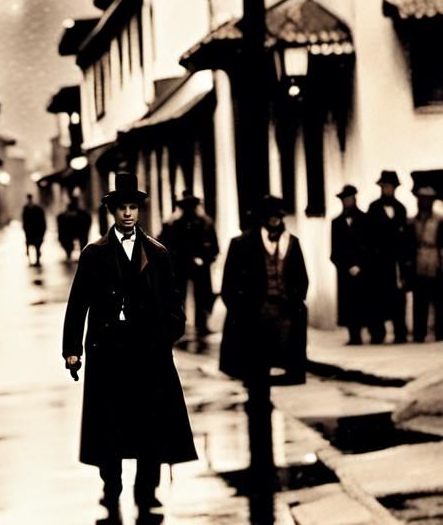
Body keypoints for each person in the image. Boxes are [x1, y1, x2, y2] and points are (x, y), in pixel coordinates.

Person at [62, 171, 197, 520]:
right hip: (108, 352)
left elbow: (174, 303)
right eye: (121, 207)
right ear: (112, 211)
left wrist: (167, 336)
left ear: (140, 211)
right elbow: (78, 303)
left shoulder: (158, 253)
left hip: (148, 353)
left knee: (150, 424)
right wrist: (72, 348)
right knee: (109, 425)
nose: (127, 214)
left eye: (133, 207)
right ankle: (111, 487)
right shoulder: (94, 254)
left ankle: (148, 492)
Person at [219, 194, 308, 386]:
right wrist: (239, 310)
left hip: (285, 311)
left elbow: (302, 277)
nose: (275, 219)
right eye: (270, 215)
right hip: (256, 312)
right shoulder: (242, 244)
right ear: (263, 217)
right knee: (256, 370)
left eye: (278, 215)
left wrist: (296, 299)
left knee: (285, 354)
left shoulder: (292, 242)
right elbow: (228, 285)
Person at [159, 193, 219, 337]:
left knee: (203, 295)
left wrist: (204, 258)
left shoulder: (205, 223)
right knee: (178, 295)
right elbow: (164, 244)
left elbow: (214, 247)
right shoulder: (174, 224)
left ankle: (201, 324)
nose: (190, 211)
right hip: (180, 265)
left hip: (199, 265)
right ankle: (179, 324)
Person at [366, 169, 410, 344]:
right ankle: (377, 333)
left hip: (396, 262)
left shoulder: (401, 209)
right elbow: (367, 236)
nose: (387, 190)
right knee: (377, 298)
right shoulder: (373, 208)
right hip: (378, 262)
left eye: (390, 187)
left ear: (395, 188)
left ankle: (400, 333)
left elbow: (405, 237)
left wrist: (405, 260)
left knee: (398, 299)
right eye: (384, 187)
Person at [330, 184, 371, 345]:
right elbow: (334, 251)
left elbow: (370, 247)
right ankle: (353, 335)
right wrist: (346, 266)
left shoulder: (365, 219)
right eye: (344, 200)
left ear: (355, 199)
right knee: (348, 304)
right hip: (345, 270)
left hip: (363, 269)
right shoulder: (337, 223)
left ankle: (364, 332)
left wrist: (360, 265)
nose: (347, 202)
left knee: (363, 301)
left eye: (349, 199)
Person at [410, 184, 443, 343]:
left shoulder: (439, 220)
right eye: (422, 199)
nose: (424, 202)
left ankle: (440, 332)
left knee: (438, 300)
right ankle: (419, 333)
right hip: (418, 262)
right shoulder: (412, 221)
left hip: (435, 261)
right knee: (419, 301)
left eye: (427, 200)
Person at [21, 193, 47, 266]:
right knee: (31, 245)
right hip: (30, 231)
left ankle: (37, 260)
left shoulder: (36, 208)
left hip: (36, 230)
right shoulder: (27, 208)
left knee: (37, 245)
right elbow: (24, 220)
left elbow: (41, 219)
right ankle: (32, 260)